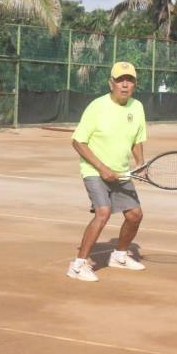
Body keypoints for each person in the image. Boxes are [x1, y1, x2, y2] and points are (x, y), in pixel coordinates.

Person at [67, 61, 146, 282]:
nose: (125, 85)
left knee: (135, 215)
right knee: (103, 212)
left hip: (121, 172)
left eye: (129, 80)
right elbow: (78, 141)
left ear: (134, 84)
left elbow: (137, 139)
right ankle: (77, 266)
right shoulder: (97, 107)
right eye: (120, 80)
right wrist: (102, 168)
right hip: (94, 169)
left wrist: (141, 163)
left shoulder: (137, 107)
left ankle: (119, 256)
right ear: (111, 83)